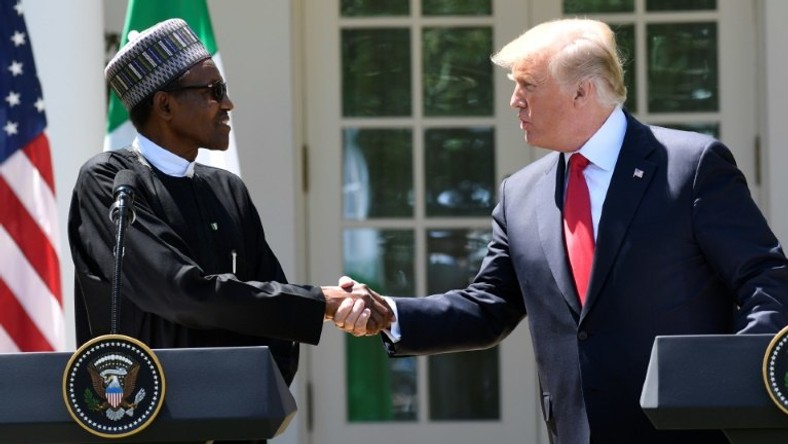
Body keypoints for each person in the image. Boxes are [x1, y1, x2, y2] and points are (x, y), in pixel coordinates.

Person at [334, 18, 788, 444]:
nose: (514, 100)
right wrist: (392, 314)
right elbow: (489, 306)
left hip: (688, 427)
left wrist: (742, 377)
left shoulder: (690, 166)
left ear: (582, 93)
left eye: (527, 85)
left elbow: (765, 279)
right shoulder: (521, 194)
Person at [68, 17, 392, 410]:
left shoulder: (227, 188)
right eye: (213, 91)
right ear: (165, 105)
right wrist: (320, 303)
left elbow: (275, 318)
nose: (227, 103)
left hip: (233, 421)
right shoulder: (110, 182)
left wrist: (251, 403)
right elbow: (179, 292)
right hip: (146, 422)